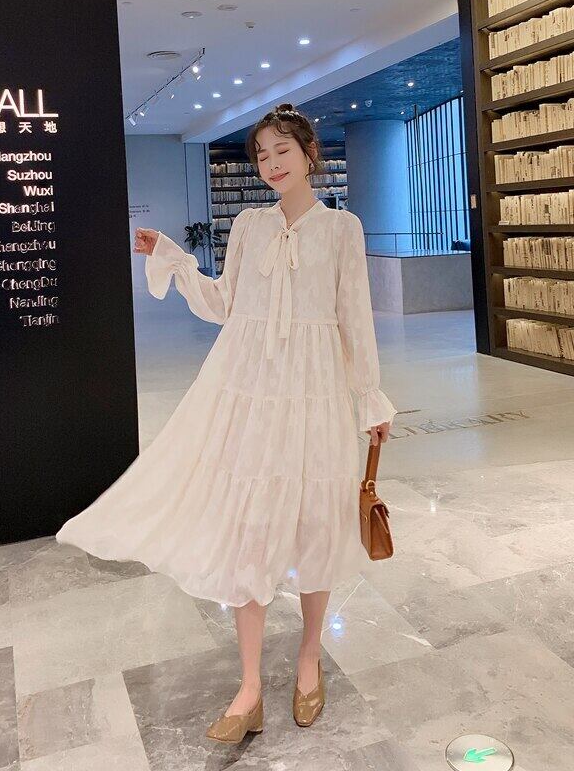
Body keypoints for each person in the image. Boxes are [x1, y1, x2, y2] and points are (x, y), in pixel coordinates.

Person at [55, 103, 397, 743]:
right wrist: (175, 258)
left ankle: (309, 659)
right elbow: (224, 303)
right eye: (261, 154)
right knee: (251, 529)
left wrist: (370, 399)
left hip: (318, 393)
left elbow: (355, 318)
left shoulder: (341, 229)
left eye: (282, 151)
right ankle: (249, 688)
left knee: (318, 524)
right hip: (253, 392)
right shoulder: (247, 225)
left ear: (309, 154)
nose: (270, 164)